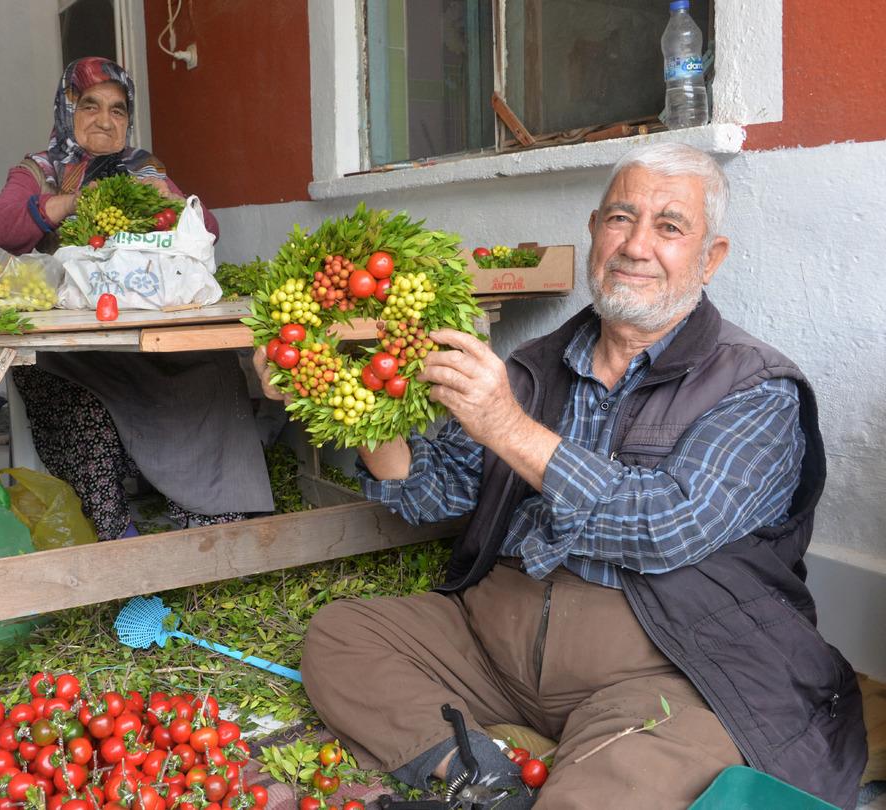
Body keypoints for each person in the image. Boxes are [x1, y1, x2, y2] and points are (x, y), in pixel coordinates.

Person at [258, 144, 866, 808]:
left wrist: (506, 425)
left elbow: (661, 525)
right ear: (593, 231)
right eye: (619, 218)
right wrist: (350, 401)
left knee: (623, 780)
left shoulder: (754, 388)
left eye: (669, 226)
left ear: (709, 258)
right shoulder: (534, 366)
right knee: (341, 639)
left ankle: (560, 779)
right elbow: (433, 491)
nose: (635, 245)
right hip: (497, 639)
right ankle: (488, 777)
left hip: (667, 662)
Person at [0, 57, 274, 538]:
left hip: (146, 337)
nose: (105, 119)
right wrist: (77, 200)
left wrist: (172, 200)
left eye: (118, 110)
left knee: (212, 371)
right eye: (90, 105)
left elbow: (207, 233)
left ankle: (216, 523)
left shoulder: (144, 167)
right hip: (75, 350)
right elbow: (0, 227)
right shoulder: (40, 171)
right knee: (84, 409)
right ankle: (116, 540)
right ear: (66, 109)